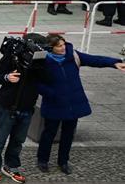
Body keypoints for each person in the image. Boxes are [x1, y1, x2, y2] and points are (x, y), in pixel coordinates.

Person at [35, 33, 125, 174]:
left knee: (68, 134)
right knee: (49, 133)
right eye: (59, 46)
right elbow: (36, 83)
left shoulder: (73, 56)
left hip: (72, 104)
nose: (63, 48)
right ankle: (42, 160)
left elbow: (94, 60)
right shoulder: (43, 61)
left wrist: (114, 63)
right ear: (51, 48)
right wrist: (51, 93)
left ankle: (63, 161)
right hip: (54, 104)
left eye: (64, 44)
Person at [0, 34, 47, 184]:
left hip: (27, 107)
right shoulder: (12, 57)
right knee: (0, 139)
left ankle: (11, 165)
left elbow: (46, 79)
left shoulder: (40, 62)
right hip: (8, 106)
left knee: (18, 140)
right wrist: (7, 77)